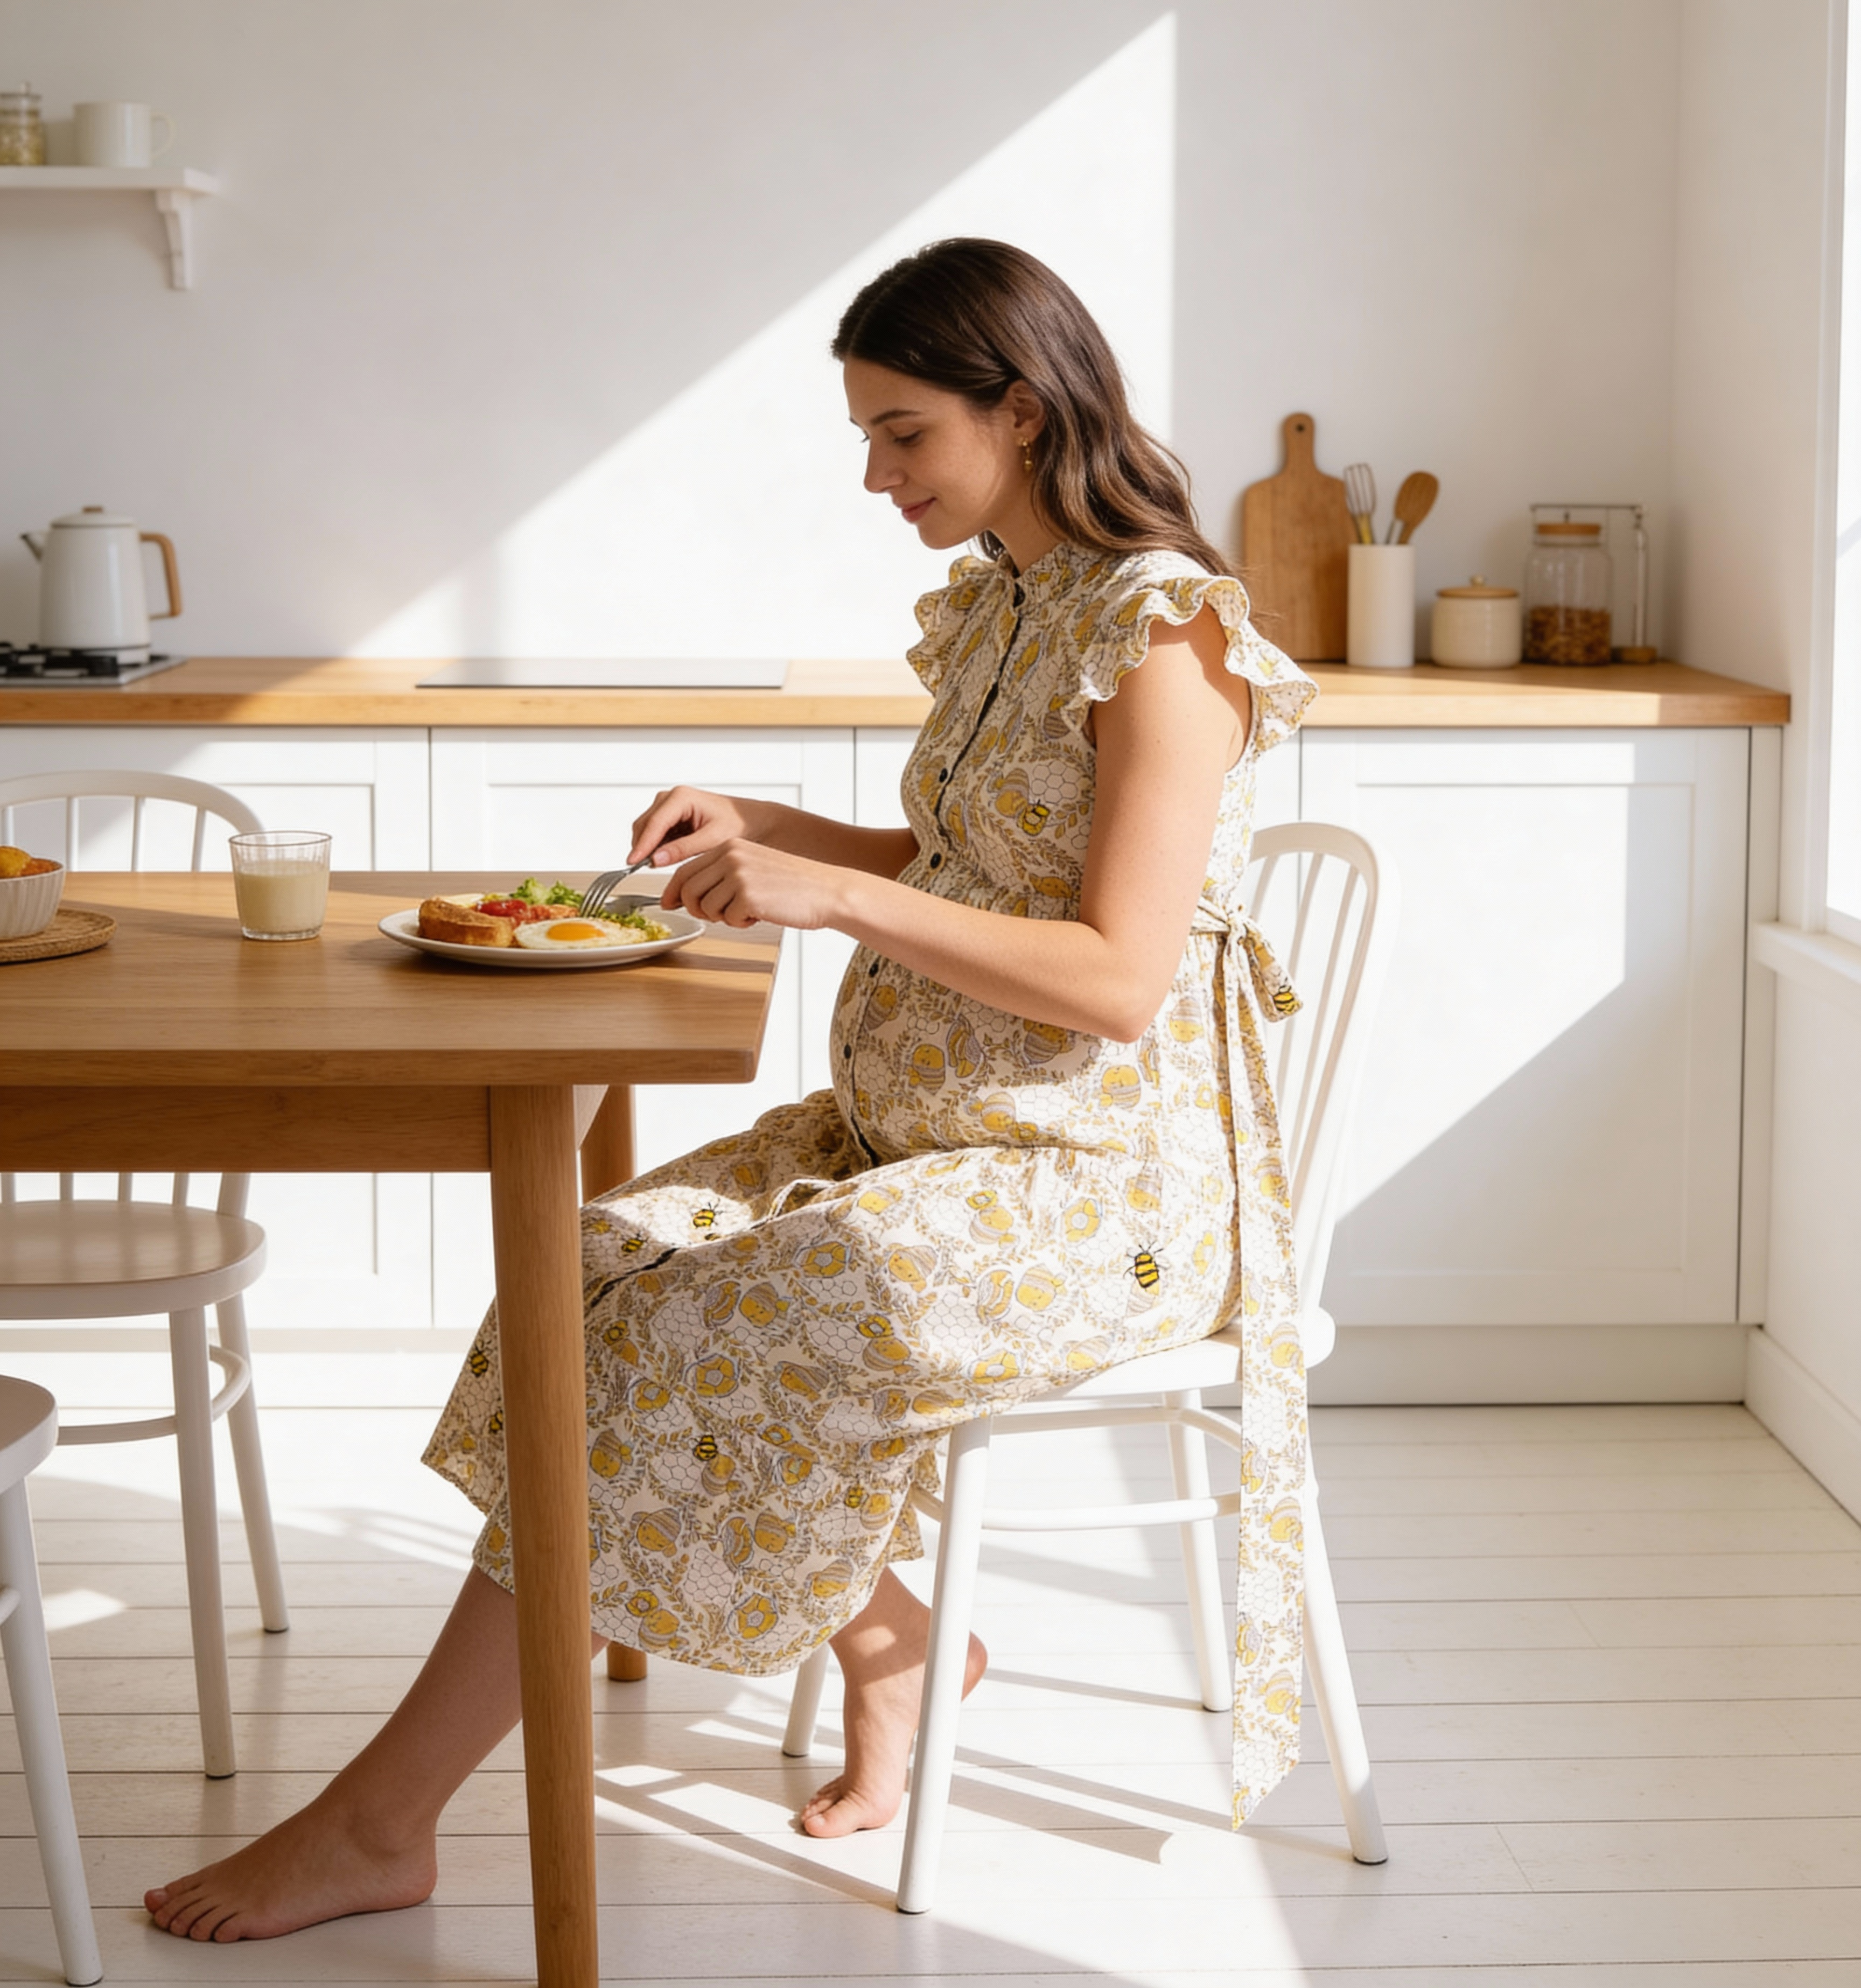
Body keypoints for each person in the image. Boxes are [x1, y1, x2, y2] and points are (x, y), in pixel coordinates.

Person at [144, 236, 1316, 1944]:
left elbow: (1119, 978)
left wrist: (832, 896)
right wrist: (778, 830)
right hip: (922, 1138)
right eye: (869, 435)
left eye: (905, 434)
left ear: (1021, 404)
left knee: (704, 1334)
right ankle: (898, 1636)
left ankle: (378, 1821)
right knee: (596, 1265)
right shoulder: (1011, 601)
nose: (876, 476)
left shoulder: (1163, 637)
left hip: (1098, 1195)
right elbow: (976, 856)